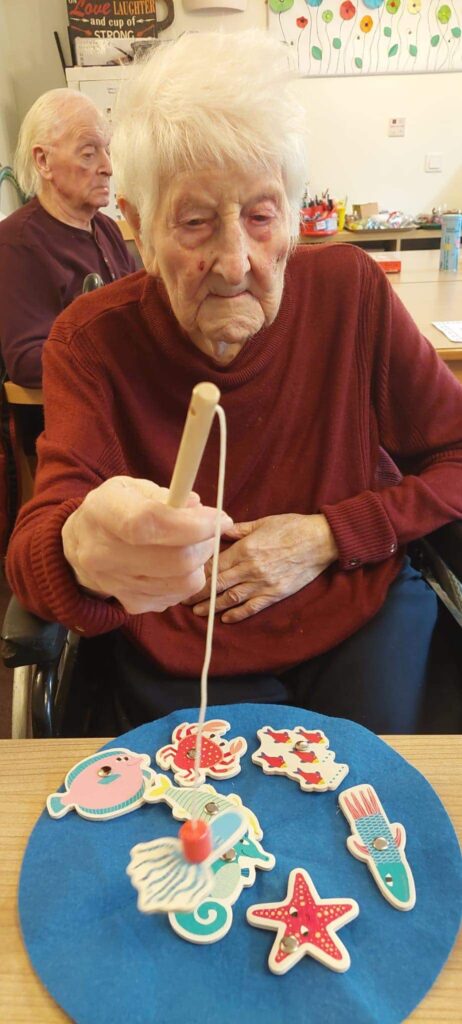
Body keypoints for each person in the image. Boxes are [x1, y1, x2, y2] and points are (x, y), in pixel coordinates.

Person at [6, 31, 462, 735]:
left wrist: (330, 534)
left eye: (260, 215)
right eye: (194, 222)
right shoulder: (90, 343)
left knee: (375, 793)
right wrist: (80, 552)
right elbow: (37, 552)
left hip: (360, 616)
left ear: (292, 214)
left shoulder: (350, 293)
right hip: (182, 647)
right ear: (138, 229)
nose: (235, 261)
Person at [0, 88, 137, 389]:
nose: (108, 168)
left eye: (107, 151)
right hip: (73, 409)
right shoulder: (16, 243)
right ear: (43, 161)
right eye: (89, 154)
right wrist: (118, 353)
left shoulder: (107, 229)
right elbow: (27, 362)